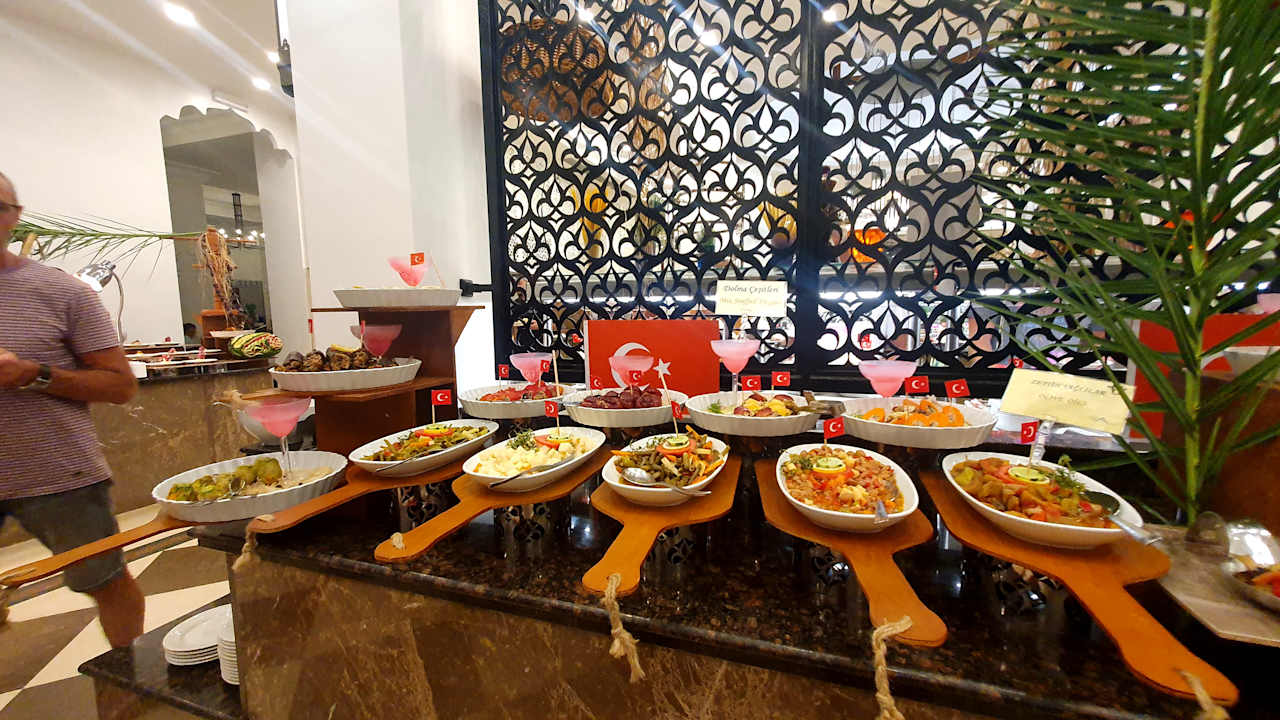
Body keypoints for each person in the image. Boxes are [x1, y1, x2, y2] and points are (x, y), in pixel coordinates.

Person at [0, 171, 144, 647]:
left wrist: (34, 374)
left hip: (58, 474)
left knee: (105, 580)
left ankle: (129, 676)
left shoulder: (63, 292)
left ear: (15, 217)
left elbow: (120, 385)